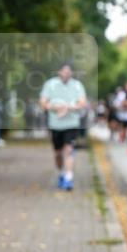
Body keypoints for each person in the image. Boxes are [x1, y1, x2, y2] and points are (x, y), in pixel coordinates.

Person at [39, 62, 88, 191]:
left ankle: (68, 178)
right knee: (58, 154)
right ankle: (62, 173)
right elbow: (43, 102)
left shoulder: (77, 85)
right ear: (59, 72)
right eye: (64, 71)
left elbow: (82, 103)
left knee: (69, 150)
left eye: (69, 71)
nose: (66, 73)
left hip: (71, 124)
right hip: (55, 125)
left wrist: (68, 108)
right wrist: (55, 107)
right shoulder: (50, 84)